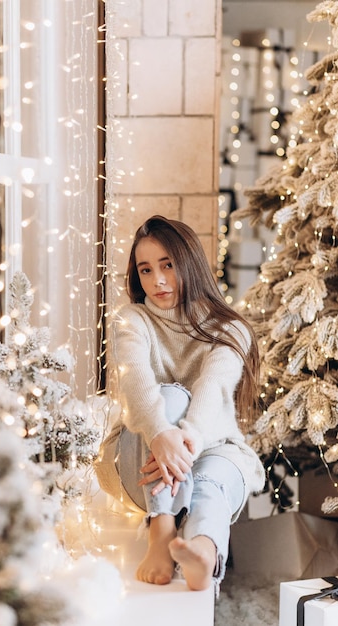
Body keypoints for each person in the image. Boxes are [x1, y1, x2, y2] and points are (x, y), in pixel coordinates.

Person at [95, 214, 265, 595]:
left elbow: (212, 386)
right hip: (139, 459)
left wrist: (182, 440)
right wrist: (159, 434)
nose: (156, 280)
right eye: (145, 269)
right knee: (169, 396)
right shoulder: (132, 319)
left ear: (189, 263)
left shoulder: (230, 328)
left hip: (204, 450)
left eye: (167, 265)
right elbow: (137, 382)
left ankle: (202, 553)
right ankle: (162, 529)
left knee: (210, 478)